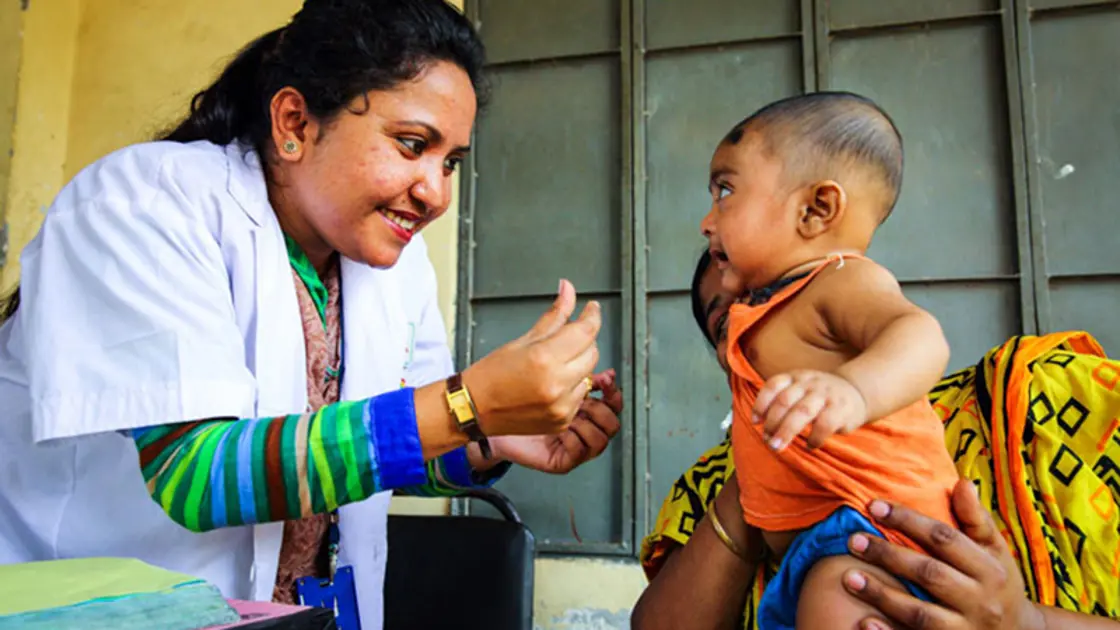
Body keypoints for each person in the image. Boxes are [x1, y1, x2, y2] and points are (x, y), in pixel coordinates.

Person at [0, 2, 622, 628]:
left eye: (450, 161)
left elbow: (385, 457)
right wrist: (465, 406)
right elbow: (196, 474)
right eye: (412, 145)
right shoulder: (147, 203)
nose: (437, 193)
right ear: (294, 121)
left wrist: (489, 437)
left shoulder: (393, 265)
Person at [634, 250, 1120, 629]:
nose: (750, 321)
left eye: (769, 293)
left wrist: (1028, 624)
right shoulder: (713, 487)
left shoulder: (1049, 398)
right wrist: (768, 477)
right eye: (726, 325)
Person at [702, 91, 959, 629]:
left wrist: (855, 391)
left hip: (875, 535)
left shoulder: (840, 280)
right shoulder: (766, 307)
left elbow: (920, 334)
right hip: (813, 552)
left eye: (725, 190)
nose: (707, 221)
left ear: (816, 210)